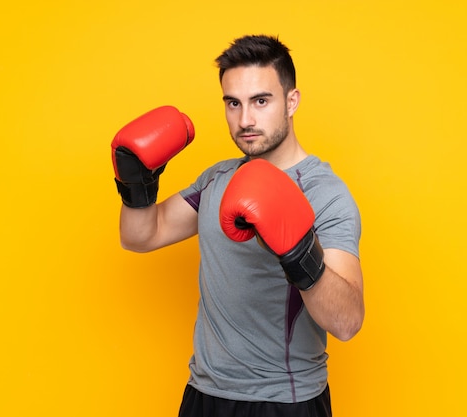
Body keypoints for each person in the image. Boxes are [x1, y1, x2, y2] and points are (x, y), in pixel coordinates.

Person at [111, 34, 364, 417]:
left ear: (291, 102)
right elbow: (140, 235)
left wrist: (297, 250)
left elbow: (346, 322)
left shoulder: (325, 193)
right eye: (233, 103)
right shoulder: (218, 179)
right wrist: (137, 185)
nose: (245, 120)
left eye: (261, 101)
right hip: (204, 393)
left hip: (285, 401)